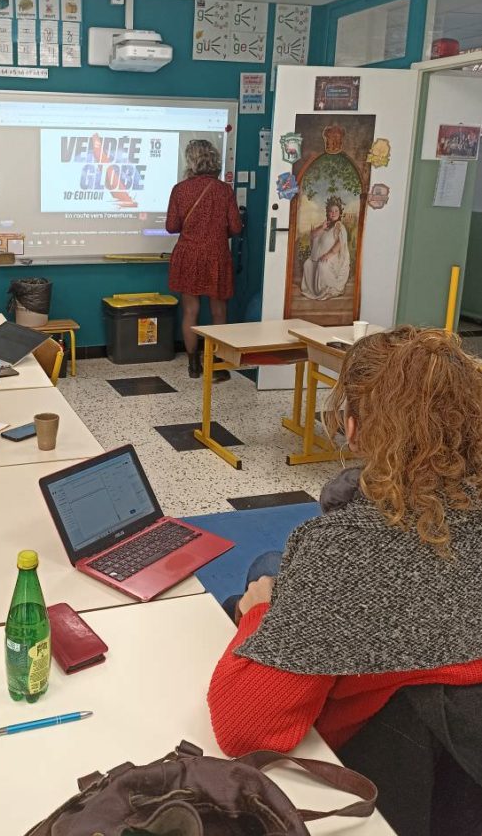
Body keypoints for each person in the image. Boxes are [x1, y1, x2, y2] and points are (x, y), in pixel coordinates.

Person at [207, 327, 482, 835]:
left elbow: (246, 729)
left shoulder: (341, 549)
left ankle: (254, 610)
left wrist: (263, 612)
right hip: (454, 717)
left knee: (261, 579)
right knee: (269, 562)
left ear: (354, 429)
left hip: (390, 748)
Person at [165, 140, 242, 378]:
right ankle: (217, 365)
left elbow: (171, 226)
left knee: (191, 310)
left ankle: (193, 365)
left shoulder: (180, 190)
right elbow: (236, 228)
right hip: (217, 255)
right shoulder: (224, 190)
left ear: (191, 161)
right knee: (219, 311)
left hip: (188, 255)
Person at [300, 194, 350, 300]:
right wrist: (322, 228)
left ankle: (326, 289)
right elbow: (313, 235)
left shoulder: (339, 226)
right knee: (308, 264)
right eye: (331, 211)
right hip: (318, 256)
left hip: (333, 258)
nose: (333, 213)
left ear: (340, 213)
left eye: (336, 211)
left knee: (323, 265)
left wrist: (328, 255)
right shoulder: (325, 225)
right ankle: (315, 289)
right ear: (327, 213)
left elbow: (340, 244)